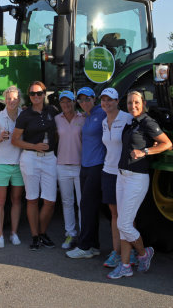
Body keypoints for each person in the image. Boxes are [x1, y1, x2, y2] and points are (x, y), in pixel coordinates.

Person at [107, 90, 173, 279]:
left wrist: (145, 151)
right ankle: (126, 265)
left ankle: (144, 254)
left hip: (137, 178)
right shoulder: (131, 122)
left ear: (143, 103)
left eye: (136, 102)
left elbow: (167, 144)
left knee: (124, 223)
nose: (132, 106)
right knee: (123, 223)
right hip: (122, 176)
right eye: (129, 103)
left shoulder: (148, 122)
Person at [12, 81, 58, 251]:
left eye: (39, 93)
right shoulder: (24, 115)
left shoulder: (52, 111)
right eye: (32, 94)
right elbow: (15, 140)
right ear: (29, 96)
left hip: (49, 159)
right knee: (32, 198)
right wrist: (34, 146)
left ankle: (42, 232)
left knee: (50, 200)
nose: (36, 97)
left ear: (44, 94)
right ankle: (35, 236)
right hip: (30, 158)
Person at [66, 87, 107, 259]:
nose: (84, 103)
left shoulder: (102, 113)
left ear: (94, 99)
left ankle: (85, 246)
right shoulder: (87, 116)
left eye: (87, 99)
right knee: (89, 206)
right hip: (86, 165)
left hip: (97, 166)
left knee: (87, 206)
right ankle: (94, 246)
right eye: (81, 100)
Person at [99, 88, 133, 269]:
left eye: (110, 100)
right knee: (114, 214)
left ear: (117, 100)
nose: (106, 103)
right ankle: (116, 251)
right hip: (108, 172)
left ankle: (131, 251)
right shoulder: (104, 121)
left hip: (125, 173)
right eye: (104, 100)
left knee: (127, 215)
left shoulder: (127, 118)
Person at [0, 86, 23, 248]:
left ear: (19, 99)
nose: (11, 101)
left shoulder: (24, 115)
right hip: (1, 164)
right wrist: (0, 138)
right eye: (9, 98)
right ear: (5, 100)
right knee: (0, 201)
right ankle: (0, 235)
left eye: (14, 98)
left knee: (16, 200)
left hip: (19, 163)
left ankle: (14, 233)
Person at [54, 90, 85, 249]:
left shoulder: (83, 118)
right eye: (63, 102)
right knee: (67, 202)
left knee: (82, 202)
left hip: (79, 165)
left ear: (74, 102)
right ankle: (70, 234)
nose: (66, 104)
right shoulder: (56, 119)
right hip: (62, 165)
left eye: (69, 101)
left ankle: (84, 235)